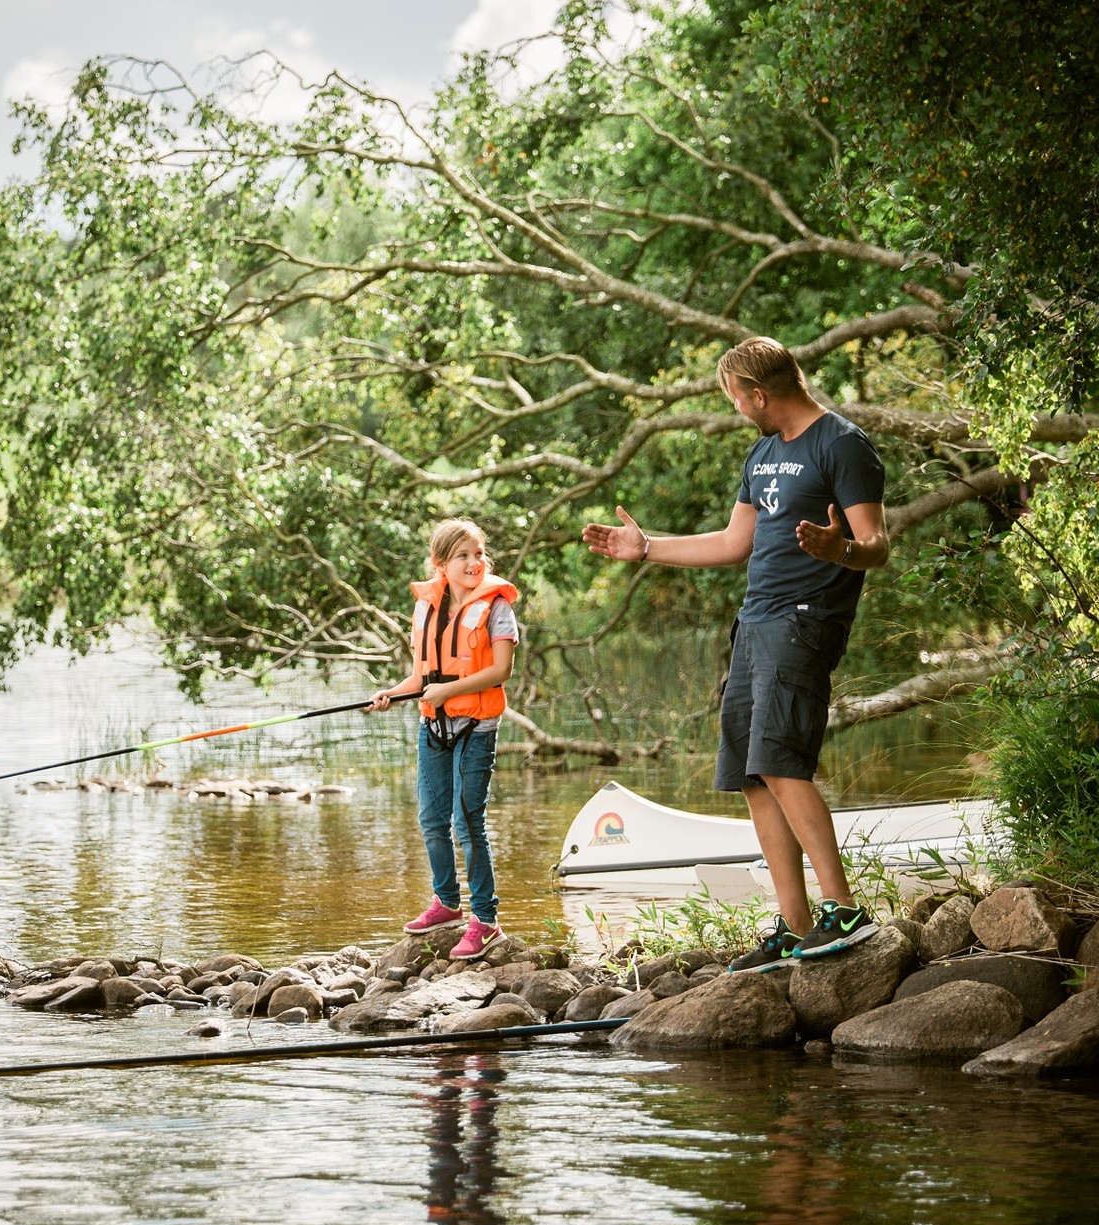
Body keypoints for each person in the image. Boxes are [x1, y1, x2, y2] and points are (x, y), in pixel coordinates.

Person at [581, 336, 889, 973]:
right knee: (752, 775)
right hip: (753, 622)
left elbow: (876, 543)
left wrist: (843, 554)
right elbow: (732, 542)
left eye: (737, 400)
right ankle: (796, 924)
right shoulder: (763, 452)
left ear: (758, 393)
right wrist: (647, 549)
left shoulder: (842, 444)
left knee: (782, 763)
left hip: (804, 622)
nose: (738, 410)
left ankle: (845, 908)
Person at [367, 518, 520, 961]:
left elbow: (501, 672)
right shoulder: (426, 609)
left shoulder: (497, 609)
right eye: (463, 556)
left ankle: (486, 920)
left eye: (479, 553)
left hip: (476, 728)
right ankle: (447, 904)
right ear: (440, 564)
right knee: (432, 820)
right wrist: (392, 695)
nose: (475, 562)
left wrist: (449, 691)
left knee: (467, 822)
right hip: (432, 725)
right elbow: (420, 676)